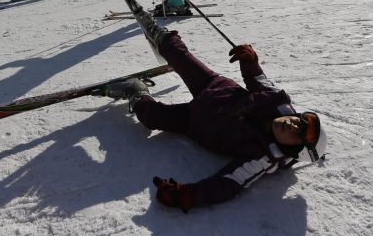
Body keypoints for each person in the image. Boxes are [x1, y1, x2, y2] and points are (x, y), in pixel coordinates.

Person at [103, 12, 327, 210]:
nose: (293, 125)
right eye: (300, 121)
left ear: (291, 150)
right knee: (179, 55)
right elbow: (257, 78)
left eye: (297, 134)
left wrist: (187, 196)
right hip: (214, 87)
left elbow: (228, 184)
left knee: (152, 117)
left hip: (195, 122)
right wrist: (250, 60)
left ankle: (136, 92)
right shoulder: (276, 100)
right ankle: (156, 32)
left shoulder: (262, 157)